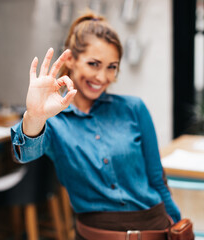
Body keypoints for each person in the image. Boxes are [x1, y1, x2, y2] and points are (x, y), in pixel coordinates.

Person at [11, 11, 181, 240]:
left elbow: (157, 179)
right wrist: (34, 115)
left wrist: (178, 224)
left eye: (112, 67)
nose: (102, 77)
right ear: (70, 59)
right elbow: (24, 153)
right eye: (94, 64)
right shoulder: (53, 121)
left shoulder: (134, 109)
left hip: (156, 228)